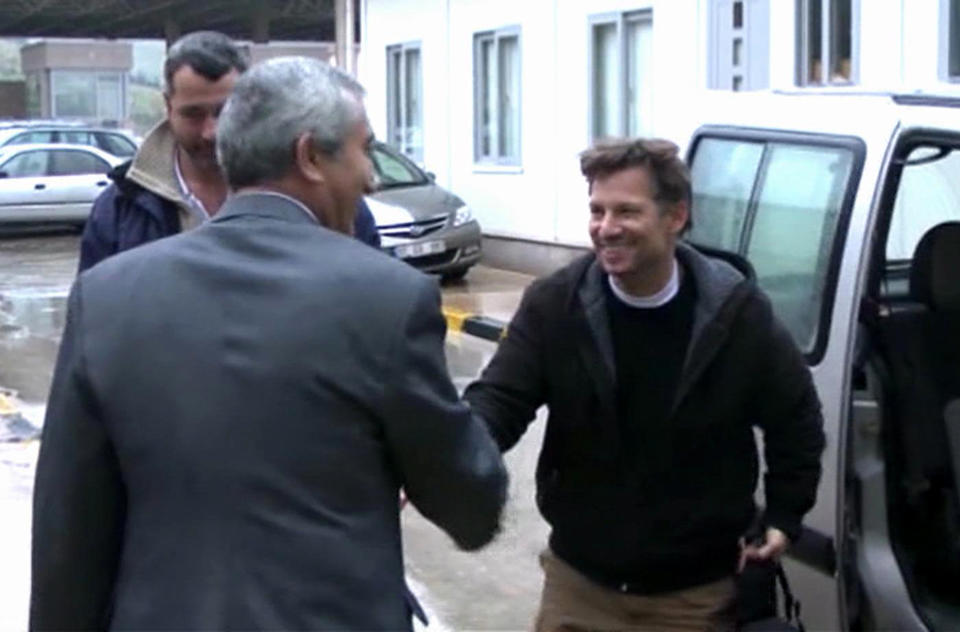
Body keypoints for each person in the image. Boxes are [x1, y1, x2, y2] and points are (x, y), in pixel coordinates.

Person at [31, 57, 507, 631]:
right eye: (363, 150)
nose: (372, 176)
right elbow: (470, 505)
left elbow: (68, 531)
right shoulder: (388, 298)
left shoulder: (107, 297)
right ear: (310, 155)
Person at [464, 138, 826, 631]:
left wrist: (786, 514)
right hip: (579, 588)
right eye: (597, 210)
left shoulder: (736, 313)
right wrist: (449, 454)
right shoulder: (556, 306)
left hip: (695, 598)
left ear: (675, 217)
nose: (606, 228)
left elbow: (796, 415)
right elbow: (501, 399)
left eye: (626, 212)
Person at [78, 30, 380, 273]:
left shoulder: (322, 195)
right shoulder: (121, 209)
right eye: (193, 114)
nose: (211, 132)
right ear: (168, 107)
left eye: (223, 112)